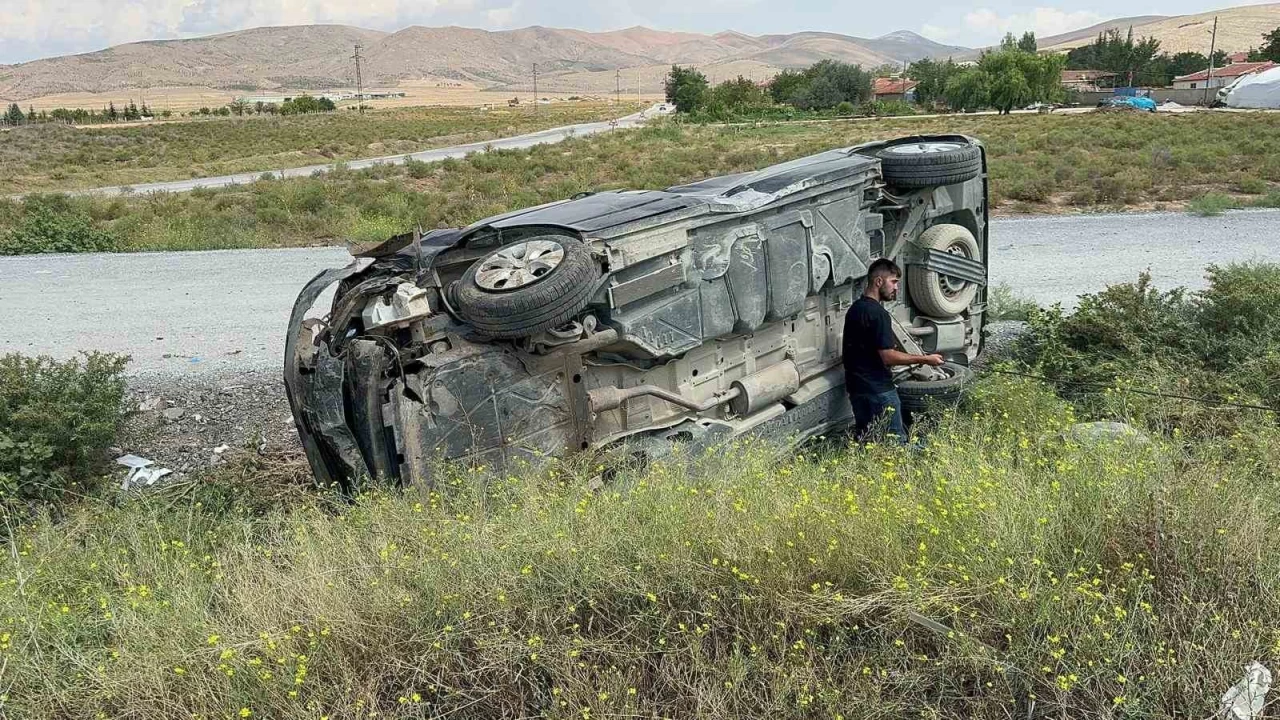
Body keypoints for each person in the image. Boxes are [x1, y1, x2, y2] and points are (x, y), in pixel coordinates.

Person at [842, 258, 944, 442]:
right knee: (895, 444)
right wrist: (926, 359)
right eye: (893, 282)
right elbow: (888, 357)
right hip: (879, 390)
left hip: (857, 389)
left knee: (868, 440)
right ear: (878, 281)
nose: (896, 288)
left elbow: (863, 348)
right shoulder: (879, 314)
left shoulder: (855, 309)